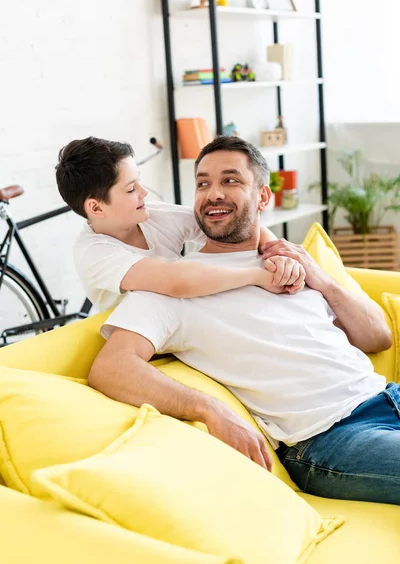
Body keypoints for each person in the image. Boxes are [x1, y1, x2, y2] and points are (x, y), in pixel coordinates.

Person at [88, 135, 399, 505]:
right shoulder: (173, 287)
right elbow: (110, 367)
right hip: (331, 439)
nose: (213, 193)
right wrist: (209, 408)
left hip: (386, 396)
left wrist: (322, 279)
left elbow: (379, 337)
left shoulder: (286, 260)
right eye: (203, 183)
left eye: (230, 180)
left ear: (263, 197)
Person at [55, 136, 306, 311]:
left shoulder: (152, 215)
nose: (144, 193)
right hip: (144, 335)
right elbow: (175, 281)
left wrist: (278, 255)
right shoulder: (96, 253)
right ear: (96, 208)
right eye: (132, 189)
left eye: (139, 182)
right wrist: (259, 276)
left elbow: (235, 222)